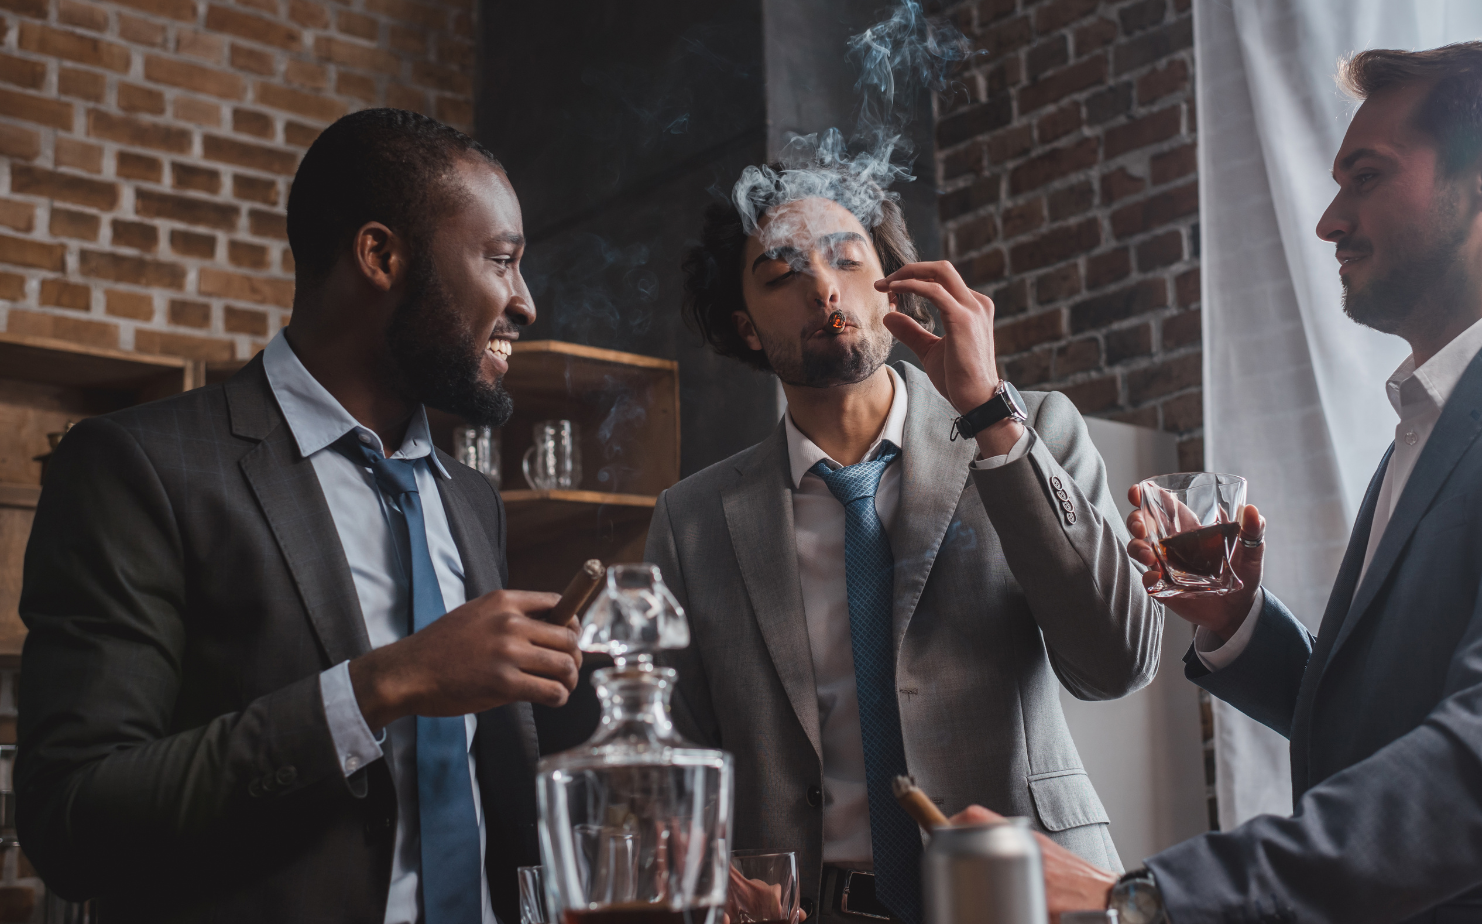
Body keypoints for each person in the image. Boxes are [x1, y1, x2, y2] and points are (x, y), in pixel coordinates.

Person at [1004, 41, 1482, 924]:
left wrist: (1147, 899)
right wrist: (1239, 627)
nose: (1329, 221)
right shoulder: (1424, 429)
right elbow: (1386, 730)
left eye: (1367, 177)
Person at [17, 109, 583, 924]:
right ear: (380, 255)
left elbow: (488, 797)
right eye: (501, 260)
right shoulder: (137, 467)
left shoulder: (471, 499)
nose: (525, 303)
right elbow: (72, 821)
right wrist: (389, 681)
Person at [645, 160, 1164, 924]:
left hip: (1027, 896)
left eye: (847, 257)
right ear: (743, 326)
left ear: (892, 282)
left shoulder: (1033, 430)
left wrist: (991, 416)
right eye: (782, 272)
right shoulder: (691, 521)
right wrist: (706, 869)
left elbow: (1118, 662)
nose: (824, 288)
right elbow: (673, 761)